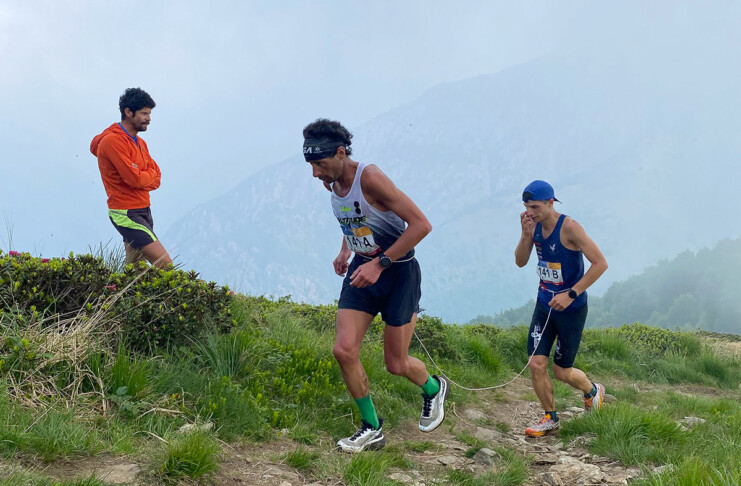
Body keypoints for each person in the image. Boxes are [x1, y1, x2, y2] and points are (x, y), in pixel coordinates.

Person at [303, 118, 450, 452]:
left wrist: (380, 263)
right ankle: (372, 427)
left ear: (341, 153)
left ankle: (433, 388)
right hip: (363, 268)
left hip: (398, 272)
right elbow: (354, 218)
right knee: (343, 350)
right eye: (311, 165)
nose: (315, 173)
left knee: (396, 364)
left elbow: (421, 225)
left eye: (320, 164)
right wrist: (346, 249)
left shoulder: (370, 178)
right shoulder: (331, 182)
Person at [514, 180, 608, 437]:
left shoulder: (570, 227)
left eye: (535, 207)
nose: (529, 212)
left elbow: (600, 264)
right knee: (536, 363)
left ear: (550, 203)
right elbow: (520, 262)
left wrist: (571, 293)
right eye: (526, 206)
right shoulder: (532, 225)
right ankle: (550, 417)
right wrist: (525, 235)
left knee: (562, 372)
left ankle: (592, 391)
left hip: (571, 309)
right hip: (544, 305)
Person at [90, 87, 172, 268]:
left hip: (144, 209)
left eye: (149, 114)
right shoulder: (112, 141)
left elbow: (157, 178)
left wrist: (144, 176)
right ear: (128, 112)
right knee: (165, 265)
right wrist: (145, 176)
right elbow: (134, 179)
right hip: (126, 213)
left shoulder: (140, 143)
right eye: (144, 113)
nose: (149, 119)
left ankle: (122, 288)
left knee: (135, 270)